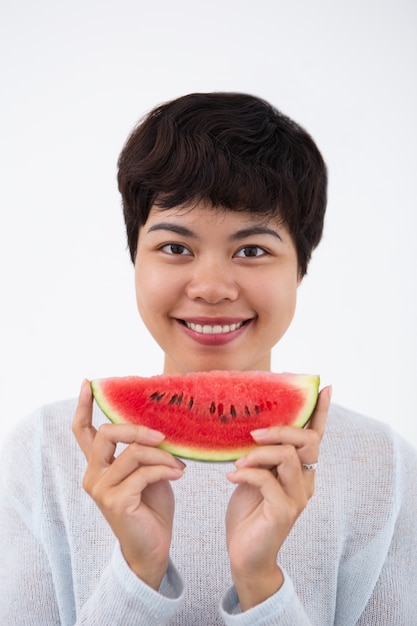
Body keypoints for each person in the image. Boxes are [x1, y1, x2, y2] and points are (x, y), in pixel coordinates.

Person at [1, 92, 416, 625]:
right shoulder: (43, 456)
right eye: (175, 248)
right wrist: (138, 572)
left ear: (300, 268)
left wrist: (260, 583)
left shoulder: (384, 468)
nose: (212, 287)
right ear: (135, 259)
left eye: (252, 250)